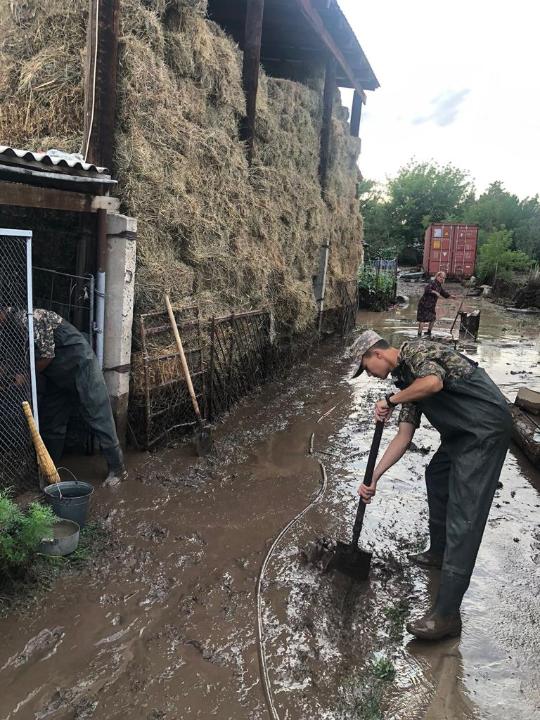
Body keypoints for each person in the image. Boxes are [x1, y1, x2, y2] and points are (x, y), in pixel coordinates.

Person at [350, 330, 511, 640]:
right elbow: (403, 437)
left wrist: (390, 400)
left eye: (367, 367)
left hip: (483, 430)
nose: (370, 375)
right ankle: (439, 553)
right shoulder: (405, 382)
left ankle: (447, 616)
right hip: (460, 433)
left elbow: (434, 383)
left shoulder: (417, 352)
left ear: (377, 354)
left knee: (465, 518)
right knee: (436, 476)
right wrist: (373, 478)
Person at [0, 306, 127, 486]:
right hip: (57, 376)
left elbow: (46, 356)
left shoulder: (31, 318)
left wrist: (26, 377)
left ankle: (118, 469)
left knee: (98, 415)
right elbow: (12, 360)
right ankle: (50, 468)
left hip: (80, 366)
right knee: (52, 419)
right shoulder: (10, 331)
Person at [416, 271, 455, 337]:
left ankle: (428, 332)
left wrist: (451, 297)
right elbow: (427, 289)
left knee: (433, 318)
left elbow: (444, 294)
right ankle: (419, 335)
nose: (442, 279)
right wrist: (434, 292)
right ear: (437, 276)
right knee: (422, 319)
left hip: (431, 305)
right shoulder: (433, 283)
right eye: (441, 277)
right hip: (424, 304)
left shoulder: (439, 286)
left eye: (443, 278)